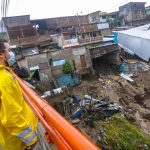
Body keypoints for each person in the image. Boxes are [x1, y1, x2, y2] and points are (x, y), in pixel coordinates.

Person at [0, 39, 38, 150]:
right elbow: (12, 116)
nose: (11, 53)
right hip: (17, 142)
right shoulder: (4, 79)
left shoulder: (5, 72)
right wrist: (30, 138)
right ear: (1, 55)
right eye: (9, 50)